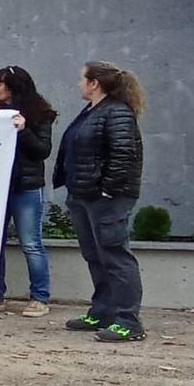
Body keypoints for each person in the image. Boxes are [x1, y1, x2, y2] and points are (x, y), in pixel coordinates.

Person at [55, 61, 147, 343]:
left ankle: (128, 320)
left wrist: (108, 191)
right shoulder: (92, 111)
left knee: (115, 255)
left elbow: (123, 154)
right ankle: (103, 310)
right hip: (83, 195)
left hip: (106, 198)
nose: (78, 83)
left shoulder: (117, 112)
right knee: (95, 255)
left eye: (81, 78)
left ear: (94, 83)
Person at [0, 67, 54, 318]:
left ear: (13, 87)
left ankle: (40, 297)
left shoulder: (40, 113)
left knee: (31, 243)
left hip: (26, 187)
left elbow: (43, 151)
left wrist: (24, 130)